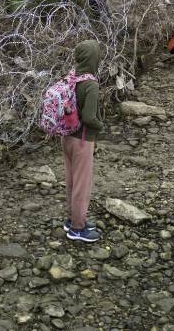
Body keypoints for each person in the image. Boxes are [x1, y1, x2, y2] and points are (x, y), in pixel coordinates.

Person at [63, 40, 104, 243]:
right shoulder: (91, 84)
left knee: (71, 180)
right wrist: (101, 126)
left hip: (67, 136)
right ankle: (77, 228)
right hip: (83, 140)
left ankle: (71, 218)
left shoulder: (71, 77)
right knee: (82, 184)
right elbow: (89, 118)